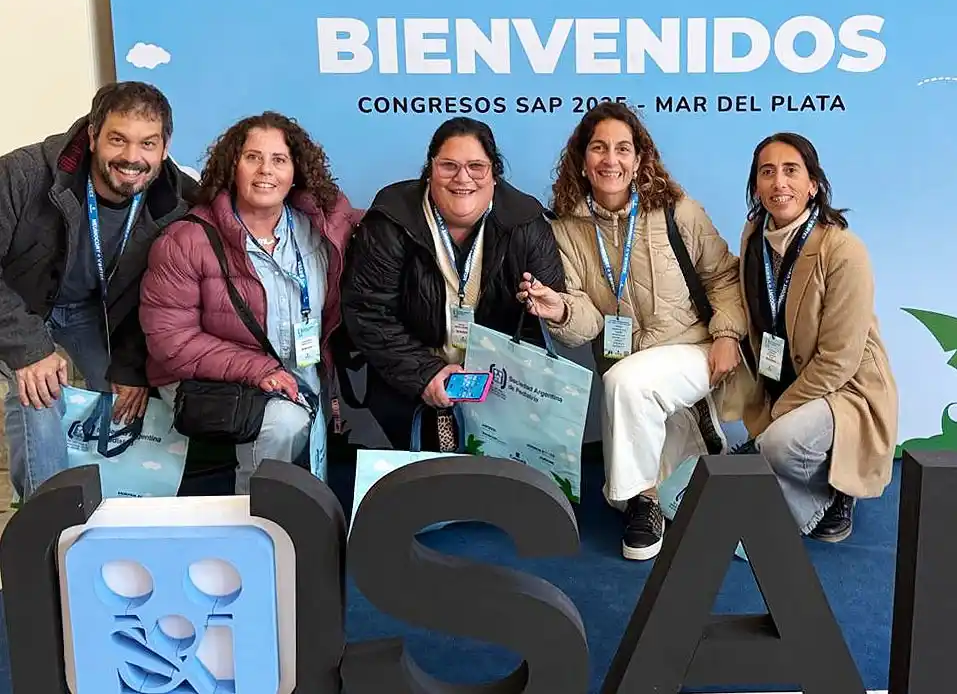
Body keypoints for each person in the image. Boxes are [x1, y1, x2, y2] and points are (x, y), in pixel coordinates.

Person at [519, 101, 748, 561]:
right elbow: (587, 322)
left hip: (695, 351)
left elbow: (724, 277)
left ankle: (641, 504)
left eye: (623, 149)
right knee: (641, 428)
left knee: (624, 391)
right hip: (628, 365)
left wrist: (726, 335)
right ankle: (695, 445)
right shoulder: (564, 229)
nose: (611, 159)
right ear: (582, 160)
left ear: (640, 159)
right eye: (599, 148)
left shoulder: (678, 211)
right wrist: (560, 309)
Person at [139, 112, 363, 494]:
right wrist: (258, 370)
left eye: (279, 160)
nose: (266, 171)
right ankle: (256, 518)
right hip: (210, 377)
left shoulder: (322, 228)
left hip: (301, 372)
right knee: (285, 422)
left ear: (296, 172)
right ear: (232, 167)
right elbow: (170, 341)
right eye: (252, 158)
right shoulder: (185, 240)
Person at [0, 81, 197, 501]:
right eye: (117, 140)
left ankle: (113, 515)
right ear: (92, 136)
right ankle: (46, 521)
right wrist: (27, 349)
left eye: (148, 143)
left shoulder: (177, 201)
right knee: (39, 397)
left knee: (123, 400)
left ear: (165, 146)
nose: (132, 157)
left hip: (96, 311)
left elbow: (161, 293)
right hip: (20, 304)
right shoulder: (22, 174)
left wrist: (130, 366)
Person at [341, 116, 566, 450]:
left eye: (477, 166)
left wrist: (498, 381)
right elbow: (369, 314)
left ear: (494, 174)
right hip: (407, 381)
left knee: (499, 487)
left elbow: (538, 325)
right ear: (430, 170)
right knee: (426, 485)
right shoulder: (390, 220)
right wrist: (426, 374)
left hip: (499, 386)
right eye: (449, 166)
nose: (463, 178)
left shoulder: (526, 222)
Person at [731, 132, 898, 542]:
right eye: (767, 173)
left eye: (791, 171)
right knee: (761, 441)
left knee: (778, 444)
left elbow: (839, 360)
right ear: (756, 186)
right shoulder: (753, 235)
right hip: (786, 375)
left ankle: (833, 492)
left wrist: (776, 416)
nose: (779, 183)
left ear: (813, 185)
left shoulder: (843, 250)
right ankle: (782, 473)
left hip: (845, 386)